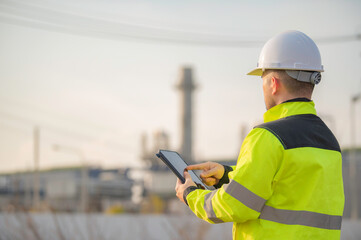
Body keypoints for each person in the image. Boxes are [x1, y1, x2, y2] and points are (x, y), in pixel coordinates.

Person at [175, 30, 344, 239]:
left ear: (273, 84)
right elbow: (286, 186)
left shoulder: (268, 136)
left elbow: (234, 205)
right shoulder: (329, 142)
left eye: (262, 79)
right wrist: (227, 174)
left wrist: (191, 195)